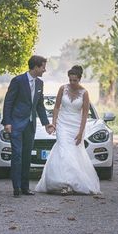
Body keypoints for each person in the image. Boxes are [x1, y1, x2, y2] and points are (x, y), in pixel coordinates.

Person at [35, 65, 101, 195]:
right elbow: (57, 107)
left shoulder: (84, 93)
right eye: (70, 80)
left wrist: (81, 132)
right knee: (63, 151)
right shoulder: (62, 89)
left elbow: (85, 114)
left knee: (74, 153)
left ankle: (73, 182)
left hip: (76, 126)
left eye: (75, 80)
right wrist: (54, 123)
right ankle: (64, 184)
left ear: (79, 79)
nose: (72, 83)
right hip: (62, 125)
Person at [2, 55, 55, 197]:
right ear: (36, 67)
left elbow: (39, 105)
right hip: (16, 124)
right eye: (43, 67)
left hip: (31, 125)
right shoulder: (18, 81)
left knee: (26, 157)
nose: (45, 69)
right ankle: (16, 188)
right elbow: (8, 102)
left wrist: (46, 124)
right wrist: (7, 122)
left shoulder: (40, 84)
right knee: (17, 156)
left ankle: (25, 187)